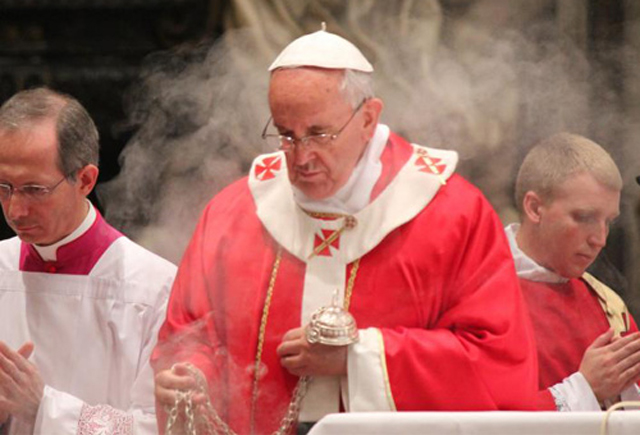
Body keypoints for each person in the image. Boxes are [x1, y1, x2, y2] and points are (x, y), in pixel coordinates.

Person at [152, 27, 538, 434]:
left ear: (368, 118)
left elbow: (497, 360)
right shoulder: (235, 214)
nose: (301, 157)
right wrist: (190, 375)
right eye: (286, 134)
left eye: (319, 134)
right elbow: (189, 331)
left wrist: (359, 359)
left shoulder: (452, 216)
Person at [0, 88, 177, 434]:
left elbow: (158, 426)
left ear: (85, 180)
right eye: (4, 187)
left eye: (35, 190)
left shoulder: (153, 289)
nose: (15, 210)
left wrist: (44, 408)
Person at [505, 132, 640, 411]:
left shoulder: (606, 305)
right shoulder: (476, 293)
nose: (600, 239)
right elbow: (467, 416)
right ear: (535, 208)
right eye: (585, 217)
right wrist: (584, 390)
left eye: (608, 222)